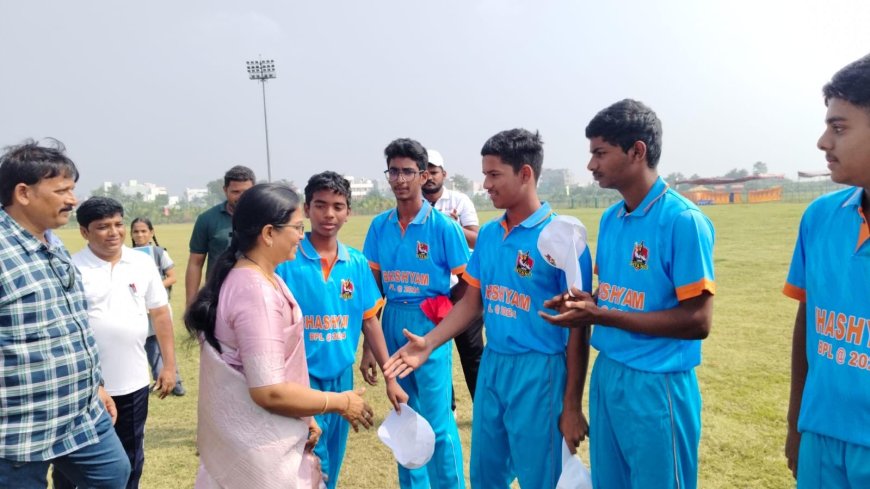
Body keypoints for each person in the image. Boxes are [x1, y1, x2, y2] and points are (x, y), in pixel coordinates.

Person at [383, 129, 593, 489]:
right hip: (494, 366)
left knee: (539, 474)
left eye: (494, 175)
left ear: (525, 174)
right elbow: (472, 301)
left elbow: (579, 328)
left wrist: (572, 404)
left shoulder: (562, 237)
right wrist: (430, 342)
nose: (485, 184)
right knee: (485, 473)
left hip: (539, 371)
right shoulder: (492, 235)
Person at [541, 99, 715, 489]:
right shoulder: (612, 217)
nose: (591, 165)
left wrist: (601, 316)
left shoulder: (683, 221)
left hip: (658, 383)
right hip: (610, 374)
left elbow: (698, 321)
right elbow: (619, 295)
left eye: (600, 153)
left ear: (637, 151)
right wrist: (586, 304)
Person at [185, 183, 373, 489]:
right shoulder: (255, 291)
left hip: (261, 442)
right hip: (259, 458)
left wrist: (307, 415)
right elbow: (268, 390)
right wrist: (339, 402)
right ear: (269, 233)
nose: (302, 235)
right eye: (297, 227)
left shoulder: (262, 277)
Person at [0, 139, 130, 488]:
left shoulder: (52, 242)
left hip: (80, 413)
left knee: (113, 475)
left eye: (72, 189)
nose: (73, 200)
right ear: (24, 193)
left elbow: (71, 322)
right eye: (62, 191)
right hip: (18, 429)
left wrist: (97, 385)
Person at [276, 171, 408, 489]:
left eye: (338, 206)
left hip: (343, 380)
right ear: (306, 209)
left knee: (331, 463)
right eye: (320, 205)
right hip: (301, 380)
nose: (329, 214)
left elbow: (370, 321)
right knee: (310, 462)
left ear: (348, 212)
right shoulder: (286, 261)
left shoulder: (357, 263)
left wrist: (391, 378)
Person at [783, 54, 870, 487]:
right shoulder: (820, 217)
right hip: (820, 435)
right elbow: (808, 320)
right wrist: (797, 422)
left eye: (839, 128)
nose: (822, 142)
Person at [362, 138, 468, 489]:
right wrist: (368, 349)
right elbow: (372, 290)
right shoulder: (379, 226)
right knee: (404, 414)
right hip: (391, 319)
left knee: (437, 420)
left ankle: (449, 485)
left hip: (429, 324)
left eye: (408, 171)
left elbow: (469, 284)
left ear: (424, 176)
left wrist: (443, 311)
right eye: (394, 171)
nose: (400, 178)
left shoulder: (444, 227)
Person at [52, 197, 178, 489]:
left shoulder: (142, 263)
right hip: (83, 387)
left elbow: (160, 314)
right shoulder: (71, 268)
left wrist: (169, 366)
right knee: (71, 462)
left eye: (118, 224)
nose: (114, 232)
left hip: (132, 382)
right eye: (102, 227)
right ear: (84, 232)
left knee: (131, 455)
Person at [423, 149, 483, 403]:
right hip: (432, 295)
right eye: (424, 172)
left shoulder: (459, 201)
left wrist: (452, 227)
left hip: (462, 292)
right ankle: (448, 407)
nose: (429, 178)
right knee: (436, 355)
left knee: (472, 355)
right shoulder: (413, 207)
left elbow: (477, 239)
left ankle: (482, 407)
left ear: (443, 174)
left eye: (434, 171)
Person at [185, 165, 256, 306]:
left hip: (256, 294)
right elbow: (195, 262)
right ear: (225, 190)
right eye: (235, 192)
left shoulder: (265, 217)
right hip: (217, 296)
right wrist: (191, 303)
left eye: (246, 192)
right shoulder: (207, 219)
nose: (241, 197)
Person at [131, 217, 185, 396]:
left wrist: (152, 288)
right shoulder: (127, 255)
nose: (140, 235)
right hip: (139, 310)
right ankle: (160, 381)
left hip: (159, 308)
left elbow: (172, 277)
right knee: (150, 347)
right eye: (136, 231)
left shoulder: (159, 253)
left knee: (165, 346)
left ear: (151, 233)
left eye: (144, 231)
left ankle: (176, 382)